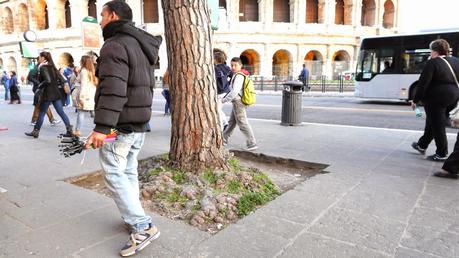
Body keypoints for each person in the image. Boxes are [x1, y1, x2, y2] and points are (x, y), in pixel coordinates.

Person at [84, 1, 162, 256]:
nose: (100, 21)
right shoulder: (141, 45)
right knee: (128, 172)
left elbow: (113, 88)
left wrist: (102, 128)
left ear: (113, 16)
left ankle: (141, 225)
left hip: (120, 124)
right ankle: (134, 217)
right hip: (138, 121)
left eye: (102, 16)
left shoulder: (115, 44)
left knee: (114, 173)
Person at [411, 39, 459, 161]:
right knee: (433, 122)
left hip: (436, 98)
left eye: (431, 51)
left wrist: (415, 100)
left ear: (435, 51)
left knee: (438, 125)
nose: (430, 53)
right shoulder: (456, 61)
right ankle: (422, 145)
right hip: (454, 96)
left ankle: (442, 153)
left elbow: (423, 83)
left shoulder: (432, 63)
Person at [25, 51, 74, 138]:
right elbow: (61, 78)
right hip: (56, 92)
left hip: (47, 93)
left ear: (43, 58)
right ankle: (69, 130)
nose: (38, 59)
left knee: (42, 113)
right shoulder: (52, 67)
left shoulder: (43, 67)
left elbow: (47, 81)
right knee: (61, 112)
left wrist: (40, 85)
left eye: (39, 57)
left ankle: (35, 131)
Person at [222, 57, 257, 151]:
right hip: (238, 101)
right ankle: (223, 140)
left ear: (240, 65)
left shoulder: (239, 76)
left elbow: (234, 91)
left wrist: (224, 99)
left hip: (238, 102)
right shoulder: (239, 74)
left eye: (235, 65)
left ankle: (252, 143)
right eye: (232, 65)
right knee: (232, 122)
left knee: (242, 122)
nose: (233, 67)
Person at [72, 55, 98, 136]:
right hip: (91, 95)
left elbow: (83, 85)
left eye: (81, 60)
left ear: (83, 62)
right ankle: (106, 129)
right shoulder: (92, 70)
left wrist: (81, 97)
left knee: (81, 113)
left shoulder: (83, 71)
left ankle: (77, 130)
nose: (79, 62)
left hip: (85, 95)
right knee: (94, 113)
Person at [214, 50, 231, 130]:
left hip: (219, 92)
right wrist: (228, 83)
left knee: (217, 110)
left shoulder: (215, 68)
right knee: (218, 109)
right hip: (226, 91)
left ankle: (221, 128)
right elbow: (232, 76)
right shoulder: (227, 68)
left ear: (215, 59)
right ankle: (225, 123)